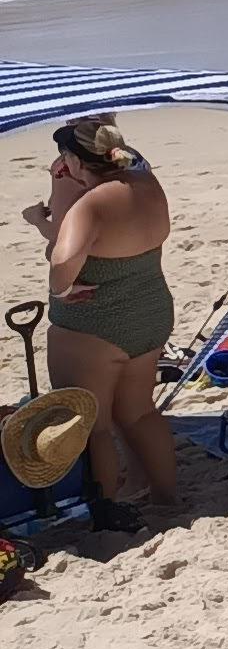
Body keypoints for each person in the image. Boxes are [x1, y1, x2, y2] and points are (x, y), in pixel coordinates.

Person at [30, 115, 180, 531]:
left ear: (76, 162)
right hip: (149, 311)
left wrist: (62, 291)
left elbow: (62, 259)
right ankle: (168, 499)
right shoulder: (146, 183)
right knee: (138, 412)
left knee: (91, 425)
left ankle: (108, 509)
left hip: (95, 324)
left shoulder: (91, 204)